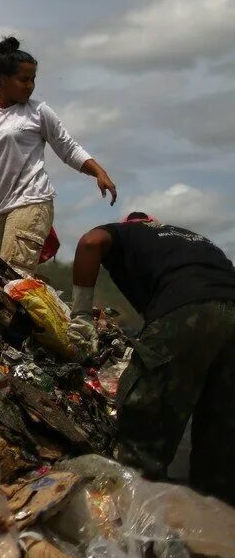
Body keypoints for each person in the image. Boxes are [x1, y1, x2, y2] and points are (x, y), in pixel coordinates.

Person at [67, 213, 235, 504]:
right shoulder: (198, 243)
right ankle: (214, 527)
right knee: (220, 428)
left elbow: (90, 242)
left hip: (186, 307)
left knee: (146, 419)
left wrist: (81, 315)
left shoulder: (129, 233)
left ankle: (131, 515)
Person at [0, 36, 117, 272]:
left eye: (33, 79)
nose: (30, 86)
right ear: (3, 79)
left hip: (32, 202)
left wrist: (98, 172)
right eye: (23, 79)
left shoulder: (38, 112)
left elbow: (68, 148)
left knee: (12, 275)